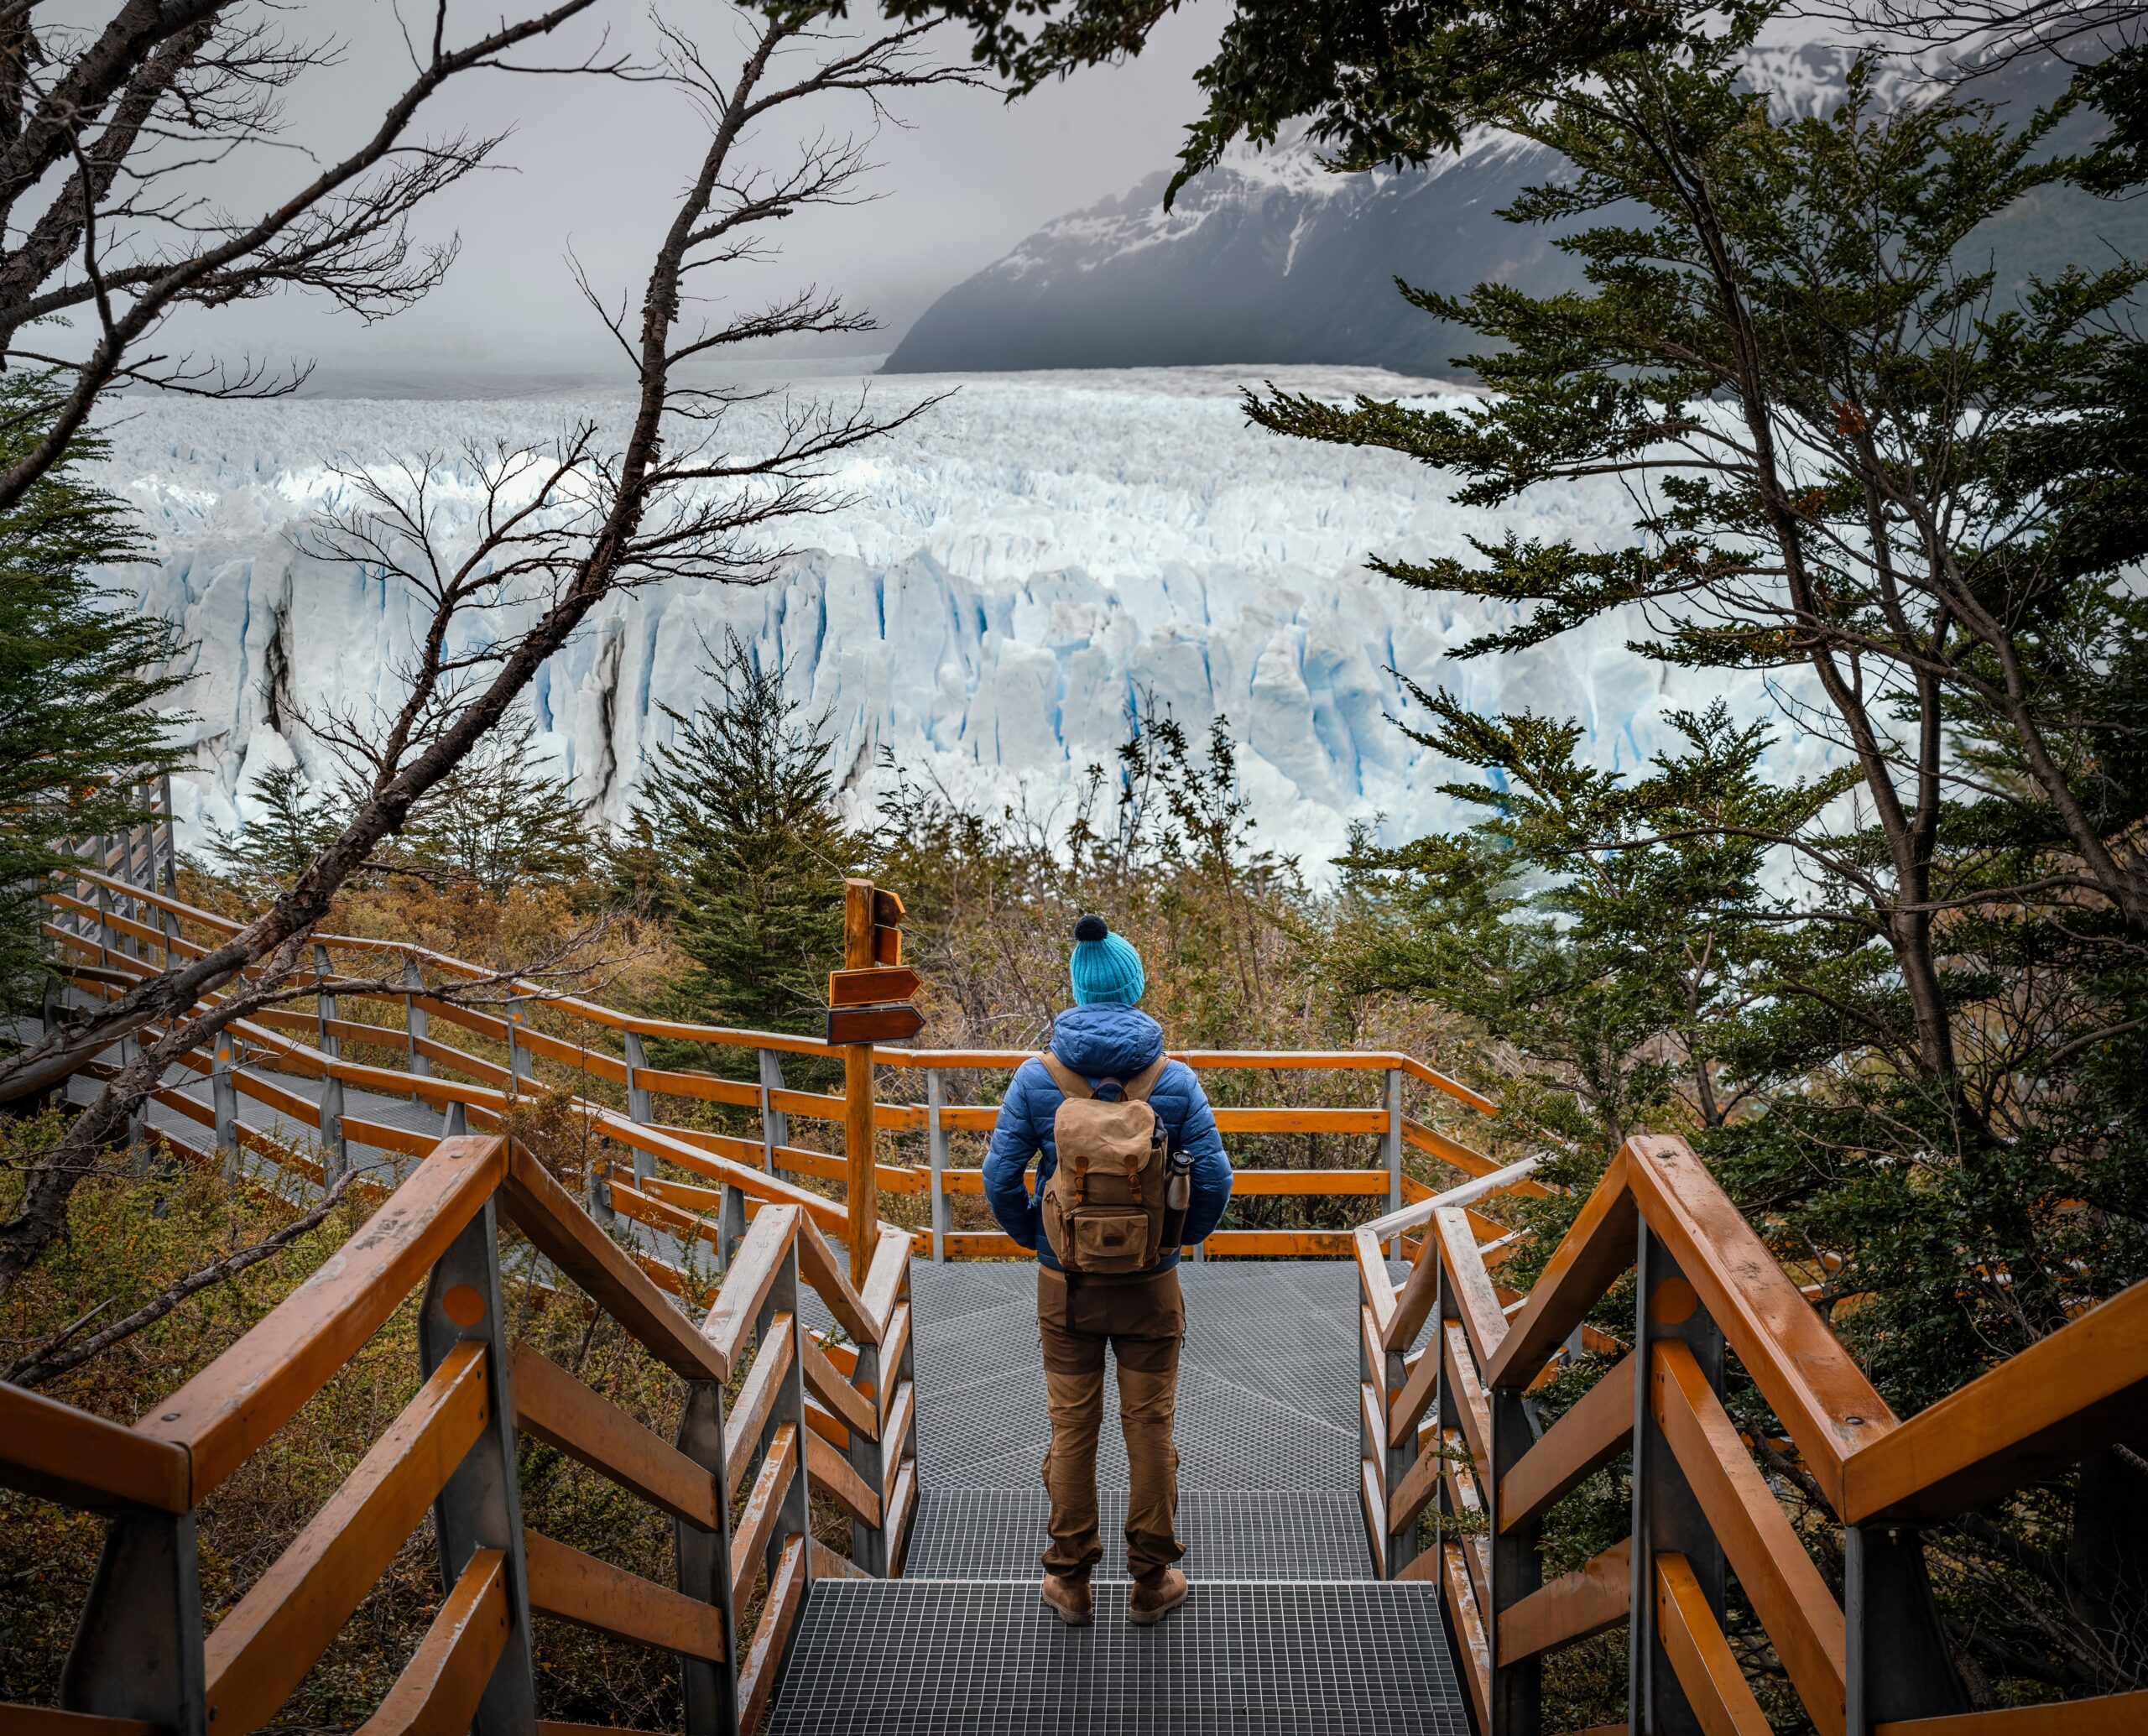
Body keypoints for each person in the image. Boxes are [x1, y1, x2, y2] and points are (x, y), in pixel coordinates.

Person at [983, 915, 1233, 1628]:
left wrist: (1044, 1241)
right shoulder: (1173, 1081)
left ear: (1077, 989)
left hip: (1068, 1290)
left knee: (1072, 1428)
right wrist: (1169, 1246)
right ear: (1133, 988)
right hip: (1151, 1291)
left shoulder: (1039, 1078)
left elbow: (1000, 1179)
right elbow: (1215, 1182)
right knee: (1150, 1426)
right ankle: (1152, 1581)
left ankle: (1068, 1581)